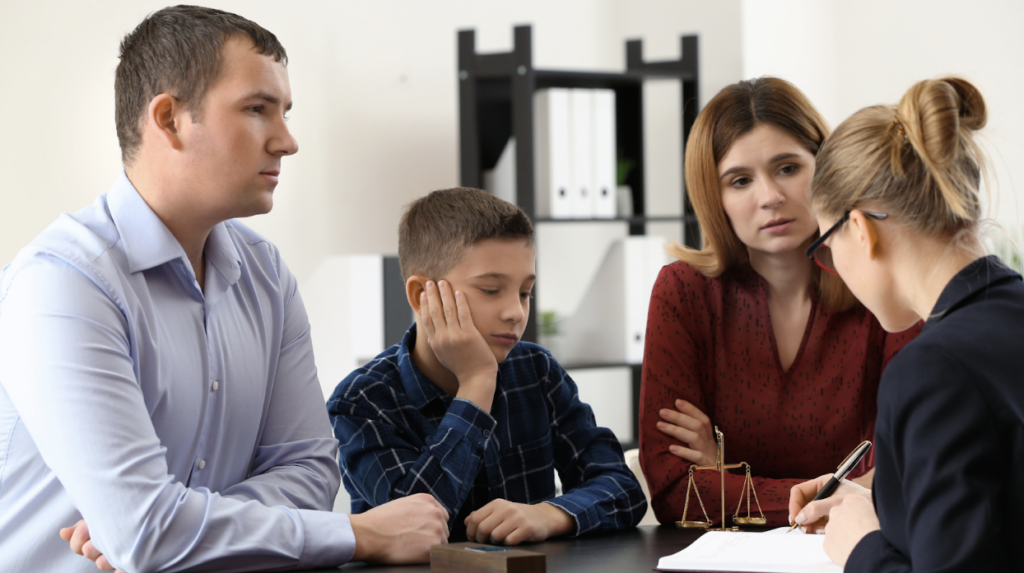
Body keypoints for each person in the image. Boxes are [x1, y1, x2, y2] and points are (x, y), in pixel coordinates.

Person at [0, 6, 447, 572]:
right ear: (168, 119)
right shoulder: (62, 284)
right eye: (258, 109)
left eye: (284, 112)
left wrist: (177, 521)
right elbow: (148, 532)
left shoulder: (266, 276)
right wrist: (357, 535)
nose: (287, 141)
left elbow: (311, 473)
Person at [639, 77, 920, 528]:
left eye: (788, 168)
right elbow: (677, 493)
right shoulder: (684, 291)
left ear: (824, 167)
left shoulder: (884, 283)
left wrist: (727, 476)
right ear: (716, 197)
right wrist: (839, 495)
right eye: (740, 180)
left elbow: (906, 473)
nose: (770, 197)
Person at [787, 77, 1024, 571]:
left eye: (827, 250)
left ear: (859, 229)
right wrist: (891, 506)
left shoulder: (932, 369)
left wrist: (862, 549)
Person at [328, 187, 647, 545]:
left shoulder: (537, 370)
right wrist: (477, 383)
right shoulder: (361, 402)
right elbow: (414, 526)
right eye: (492, 290)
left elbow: (622, 488)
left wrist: (548, 514)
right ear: (422, 296)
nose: (516, 312)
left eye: (525, 292)